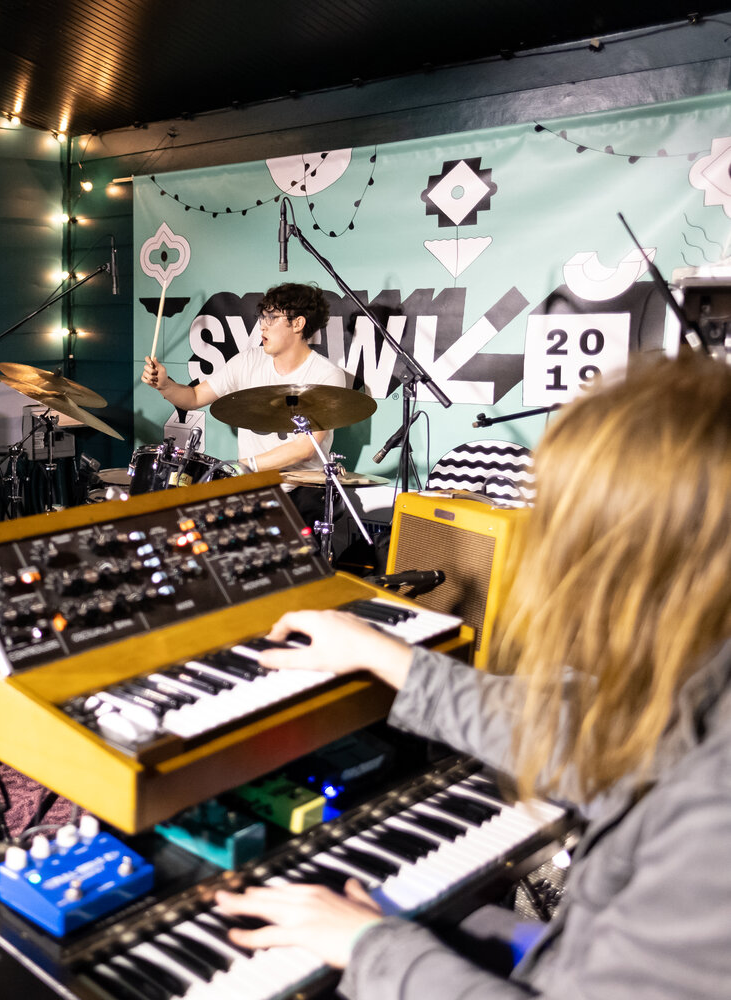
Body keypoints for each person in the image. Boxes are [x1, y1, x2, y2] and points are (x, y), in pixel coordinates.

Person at [212, 353, 731, 998]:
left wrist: (369, 948)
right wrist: (388, 656)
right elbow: (595, 736)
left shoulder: (714, 822)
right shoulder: (708, 675)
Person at [141, 282, 351, 526]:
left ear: (298, 323)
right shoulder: (248, 361)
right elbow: (194, 398)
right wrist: (164, 385)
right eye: (262, 316)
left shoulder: (326, 375)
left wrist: (243, 467)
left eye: (272, 317)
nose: (262, 325)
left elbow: (304, 449)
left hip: (303, 492)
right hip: (253, 488)